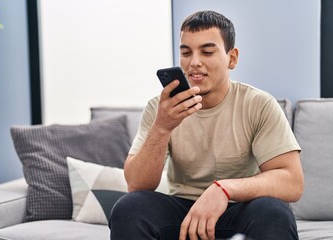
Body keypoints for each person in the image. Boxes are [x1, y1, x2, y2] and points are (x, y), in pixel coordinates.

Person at [109, 10, 304, 240]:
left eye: (207, 51)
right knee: (129, 209)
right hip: (182, 215)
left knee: (275, 213)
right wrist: (162, 128)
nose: (194, 63)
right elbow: (137, 184)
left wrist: (223, 189)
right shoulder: (161, 109)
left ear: (232, 58)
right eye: (186, 52)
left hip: (238, 208)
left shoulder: (258, 104)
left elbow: (292, 182)